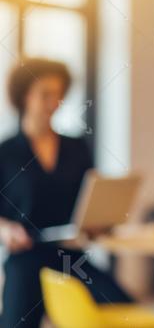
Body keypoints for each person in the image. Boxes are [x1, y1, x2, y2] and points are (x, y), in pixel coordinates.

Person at [0, 58, 131, 328]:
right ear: (25, 96)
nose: (53, 103)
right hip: (26, 256)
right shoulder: (6, 152)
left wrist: (97, 222)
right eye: (45, 94)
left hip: (70, 255)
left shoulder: (76, 147)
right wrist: (5, 229)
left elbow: (89, 198)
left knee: (124, 312)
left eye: (59, 95)